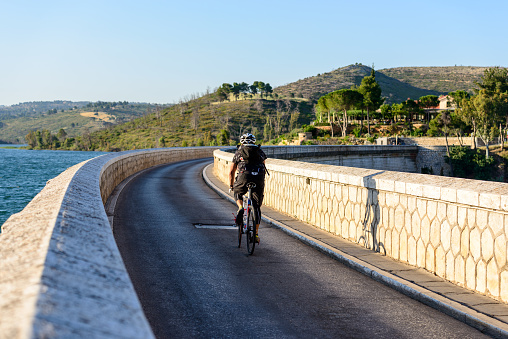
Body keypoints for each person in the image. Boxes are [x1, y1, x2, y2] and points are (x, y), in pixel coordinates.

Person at [229, 133, 267, 244]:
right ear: (254, 142)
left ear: (242, 142)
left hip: (243, 177)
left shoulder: (239, 151)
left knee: (238, 192)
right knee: (257, 207)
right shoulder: (259, 151)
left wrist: (231, 185)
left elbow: (231, 170)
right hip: (258, 178)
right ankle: (255, 234)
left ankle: (240, 207)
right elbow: (264, 166)